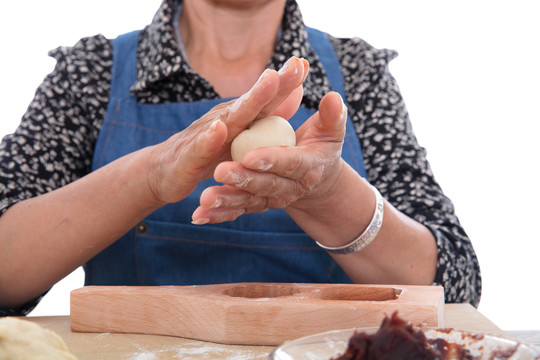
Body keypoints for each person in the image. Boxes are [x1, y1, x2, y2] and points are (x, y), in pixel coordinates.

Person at [0, 0, 481, 316]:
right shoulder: (92, 72)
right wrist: (148, 177)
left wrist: (330, 194)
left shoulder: (357, 75)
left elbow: (454, 288)